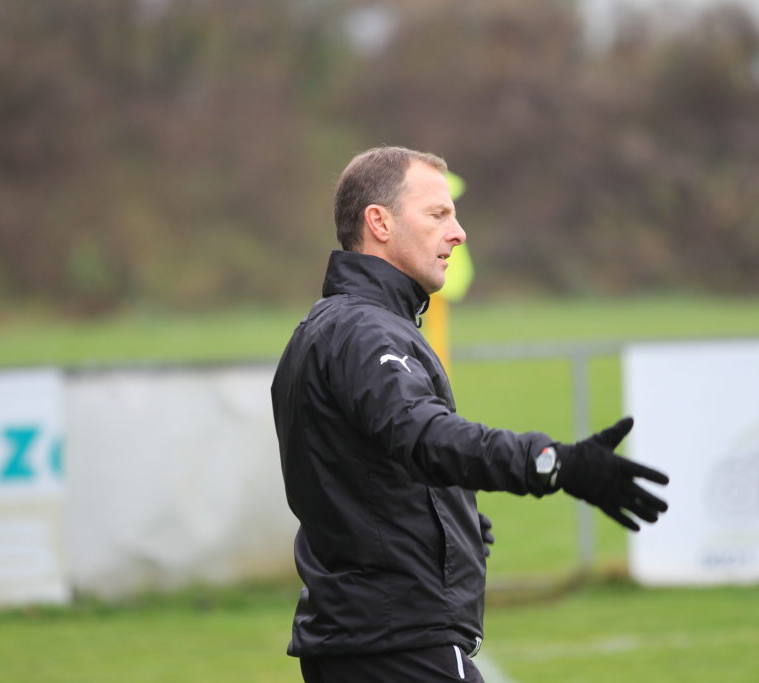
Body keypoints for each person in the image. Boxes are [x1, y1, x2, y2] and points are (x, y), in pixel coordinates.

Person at [271, 146, 670, 683]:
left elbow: (367, 475)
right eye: (438, 214)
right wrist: (554, 462)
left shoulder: (336, 327)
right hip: (399, 646)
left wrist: (456, 528)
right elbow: (424, 436)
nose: (458, 232)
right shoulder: (366, 333)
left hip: (362, 640)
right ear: (379, 222)